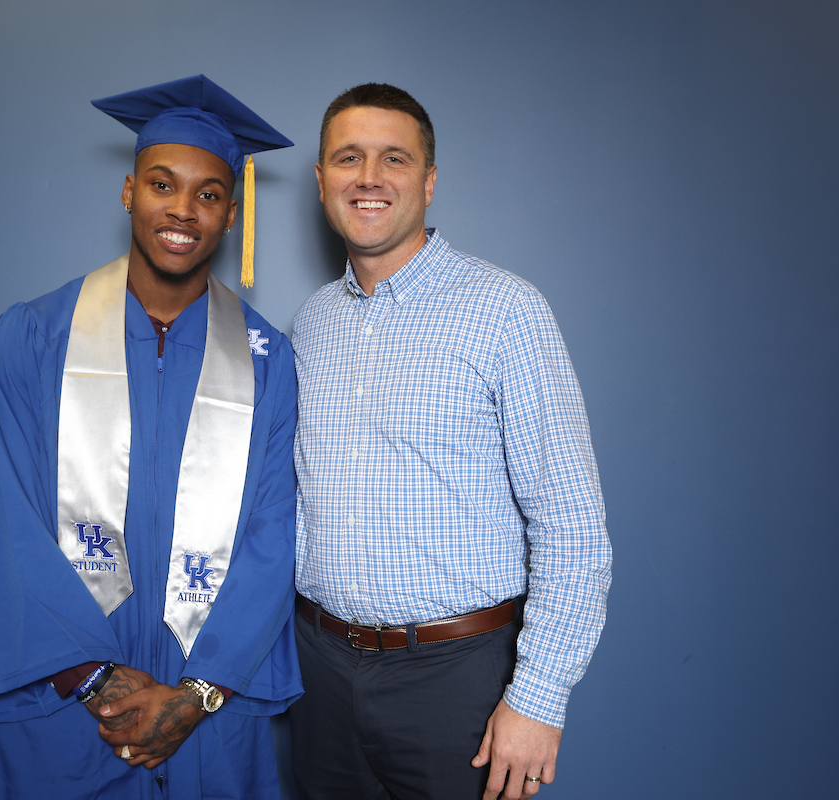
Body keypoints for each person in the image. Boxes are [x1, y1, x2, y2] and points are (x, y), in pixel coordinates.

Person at [0, 75, 301, 799]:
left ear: (231, 215)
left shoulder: (268, 358)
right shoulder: (33, 337)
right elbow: (2, 519)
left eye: (208, 193)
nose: (183, 210)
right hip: (61, 699)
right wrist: (94, 677)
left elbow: (274, 534)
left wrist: (196, 693)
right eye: (163, 185)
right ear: (129, 191)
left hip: (207, 710)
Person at [289, 83, 612, 800]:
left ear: (428, 182)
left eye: (394, 159)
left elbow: (574, 527)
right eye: (348, 158)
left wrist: (538, 699)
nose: (369, 177)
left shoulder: (507, 311)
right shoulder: (308, 325)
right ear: (321, 182)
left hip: (457, 681)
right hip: (319, 675)